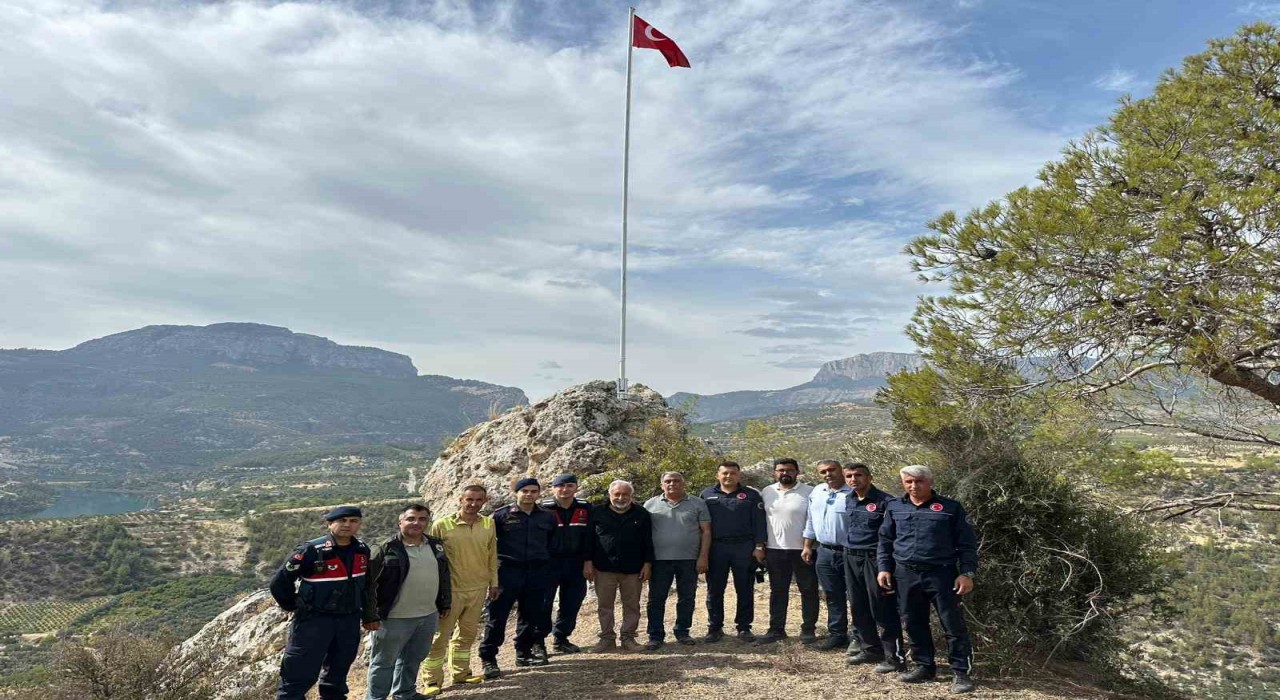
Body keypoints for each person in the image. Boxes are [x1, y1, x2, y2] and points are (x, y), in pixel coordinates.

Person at [877, 465, 979, 694]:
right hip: (905, 574)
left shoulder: (950, 508)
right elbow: (884, 541)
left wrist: (967, 573)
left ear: (930, 482)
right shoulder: (894, 507)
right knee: (913, 622)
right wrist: (884, 568)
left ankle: (961, 672)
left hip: (942, 575)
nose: (914, 486)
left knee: (952, 624)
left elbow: (967, 545)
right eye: (909, 482)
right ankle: (924, 666)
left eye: (919, 481)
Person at [269, 505, 377, 700]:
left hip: (348, 620)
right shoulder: (312, 550)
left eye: (353, 521)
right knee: (299, 674)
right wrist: (295, 605)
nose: (347, 525)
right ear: (330, 524)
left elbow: (367, 585)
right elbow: (279, 582)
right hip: (314, 621)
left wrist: (369, 615)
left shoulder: (362, 549)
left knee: (338, 673)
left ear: (359, 524)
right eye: (342, 520)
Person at [365, 504, 452, 700]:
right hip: (394, 618)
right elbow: (368, 585)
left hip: (428, 615)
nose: (417, 523)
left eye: (422, 519)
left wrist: (445, 603)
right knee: (383, 662)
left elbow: (444, 575)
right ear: (400, 521)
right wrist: (371, 614)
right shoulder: (385, 548)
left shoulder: (435, 545)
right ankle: (375, 698)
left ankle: (404, 693)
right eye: (411, 519)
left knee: (413, 659)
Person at [477, 477, 557, 678]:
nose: (529, 494)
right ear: (517, 492)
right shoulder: (501, 515)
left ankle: (523, 652)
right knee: (497, 616)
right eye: (525, 491)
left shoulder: (547, 517)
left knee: (530, 615)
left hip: (537, 572)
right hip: (508, 572)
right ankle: (488, 658)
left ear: (539, 493)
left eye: (533, 491)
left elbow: (551, 543)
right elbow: (489, 544)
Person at [424, 485, 498, 689]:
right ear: (461, 499)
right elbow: (433, 560)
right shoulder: (442, 525)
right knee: (440, 636)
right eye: (469, 499)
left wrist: (494, 582)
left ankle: (461, 673)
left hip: (478, 588)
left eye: (478, 500)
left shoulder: (488, 524)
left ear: (484, 501)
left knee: (466, 635)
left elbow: (492, 555)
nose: (473, 504)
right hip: (451, 591)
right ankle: (432, 680)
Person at [840, 463, 904, 673]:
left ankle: (893, 657)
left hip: (875, 559)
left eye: (858, 475)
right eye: (849, 476)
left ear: (869, 477)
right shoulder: (849, 498)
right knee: (858, 605)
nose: (853, 479)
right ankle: (870, 649)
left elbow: (892, 536)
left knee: (882, 608)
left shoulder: (886, 502)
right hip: (851, 557)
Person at [698, 461, 767, 643]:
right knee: (715, 589)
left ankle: (744, 628)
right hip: (716, 548)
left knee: (745, 588)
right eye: (725, 473)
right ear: (717, 475)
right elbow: (700, 525)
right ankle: (715, 628)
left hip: (744, 547)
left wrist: (759, 546)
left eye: (732, 473)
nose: (728, 476)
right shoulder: (706, 495)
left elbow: (759, 522)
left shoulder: (751, 495)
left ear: (739, 475)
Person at [643, 471, 711, 650]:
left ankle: (682, 631)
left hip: (689, 560)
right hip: (659, 561)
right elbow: (643, 535)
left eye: (676, 481)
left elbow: (706, 531)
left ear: (683, 483)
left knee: (687, 598)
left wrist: (703, 556)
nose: (672, 484)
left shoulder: (698, 503)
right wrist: (646, 562)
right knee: (656, 598)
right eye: (667, 481)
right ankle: (655, 635)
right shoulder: (650, 504)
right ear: (661, 485)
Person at [583, 479, 654, 653]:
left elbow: (648, 541)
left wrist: (647, 564)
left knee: (632, 604)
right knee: (604, 605)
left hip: (633, 568)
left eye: (625, 494)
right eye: (617, 494)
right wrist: (587, 562)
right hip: (603, 567)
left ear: (631, 496)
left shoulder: (641, 513)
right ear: (610, 495)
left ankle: (628, 638)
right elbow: (589, 540)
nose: (621, 498)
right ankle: (607, 639)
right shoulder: (597, 512)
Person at [755, 458, 819, 645]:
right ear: (775, 473)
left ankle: (808, 629)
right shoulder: (767, 492)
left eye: (790, 470)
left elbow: (813, 520)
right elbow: (760, 520)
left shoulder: (809, 492)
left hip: (803, 550)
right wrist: (760, 546)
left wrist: (808, 545)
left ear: (797, 472)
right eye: (781, 470)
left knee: (808, 590)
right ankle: (776, 629)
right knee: (778, 591)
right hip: (775, 550)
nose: (785, 473)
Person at [538, 473, 593, 656]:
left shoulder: (586, 508)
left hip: (576, 563)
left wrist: (588, 561)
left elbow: (591, 538)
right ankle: (537, 641)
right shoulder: (543, 509)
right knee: (543, 604)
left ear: (576, 488)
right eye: (560, 486)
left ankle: (561, 638)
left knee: (572, 602)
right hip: (549, 564)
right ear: (553, 488)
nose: (565, 489)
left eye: (570, 485)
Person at [801, 460, 852, 651]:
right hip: (824, 552)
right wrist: (807, 545)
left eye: (832, 470)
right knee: (832, 594)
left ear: (841, 471)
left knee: (855, 596)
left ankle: (860, 635)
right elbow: (811, 520)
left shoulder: (853, 492)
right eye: (823, 472)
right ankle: (837, 634)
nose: (828, 474)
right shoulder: (818, 491)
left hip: (849, 552)